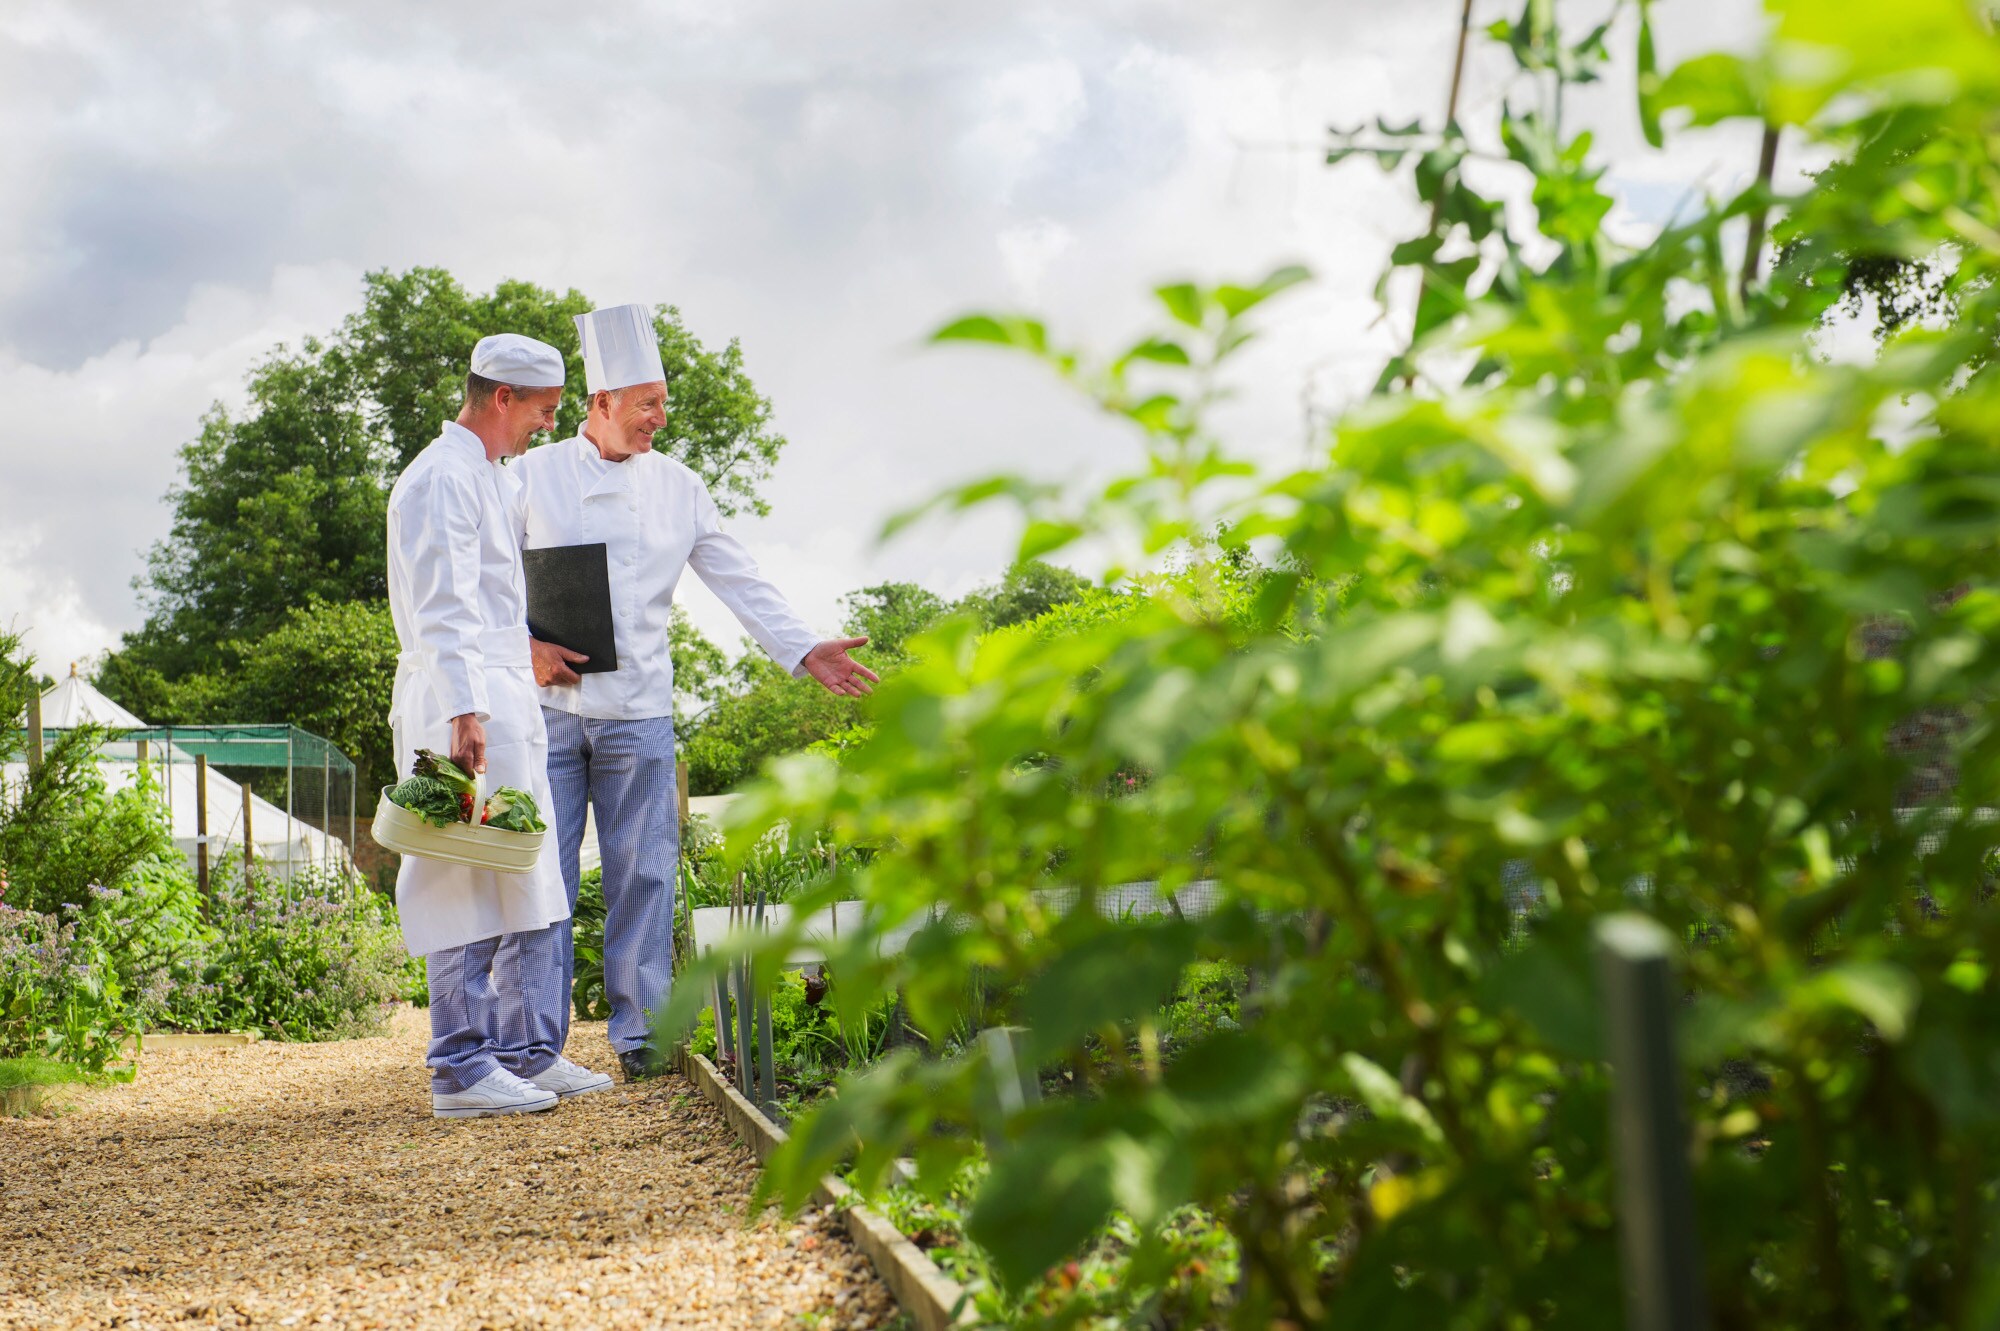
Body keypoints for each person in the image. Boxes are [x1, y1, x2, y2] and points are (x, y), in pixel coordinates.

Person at [513, 303, 879, 1082]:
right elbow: (483, 578)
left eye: (663, 401)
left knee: (643, 872)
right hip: (544, 710)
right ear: (601, 402)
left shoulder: (679, 487)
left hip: (639, 710)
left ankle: (642, 1038)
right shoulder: (529, 476)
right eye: (647, 402)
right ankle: (532, 1047)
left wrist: (802, 646)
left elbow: (736, 574)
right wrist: (527, 645)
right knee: (539, 869)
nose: (660, 418)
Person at [384, 333, 616, 1118]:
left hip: (497, 699)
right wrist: (462, 710)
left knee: (517, 869)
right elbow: (445, 600)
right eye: (545, 411)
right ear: (502, 398)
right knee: (460, 874)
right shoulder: (441, 479)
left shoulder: (482, 475)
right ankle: (457, 1064)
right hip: (462, 704)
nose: (548, 425)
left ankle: (519, 1053)